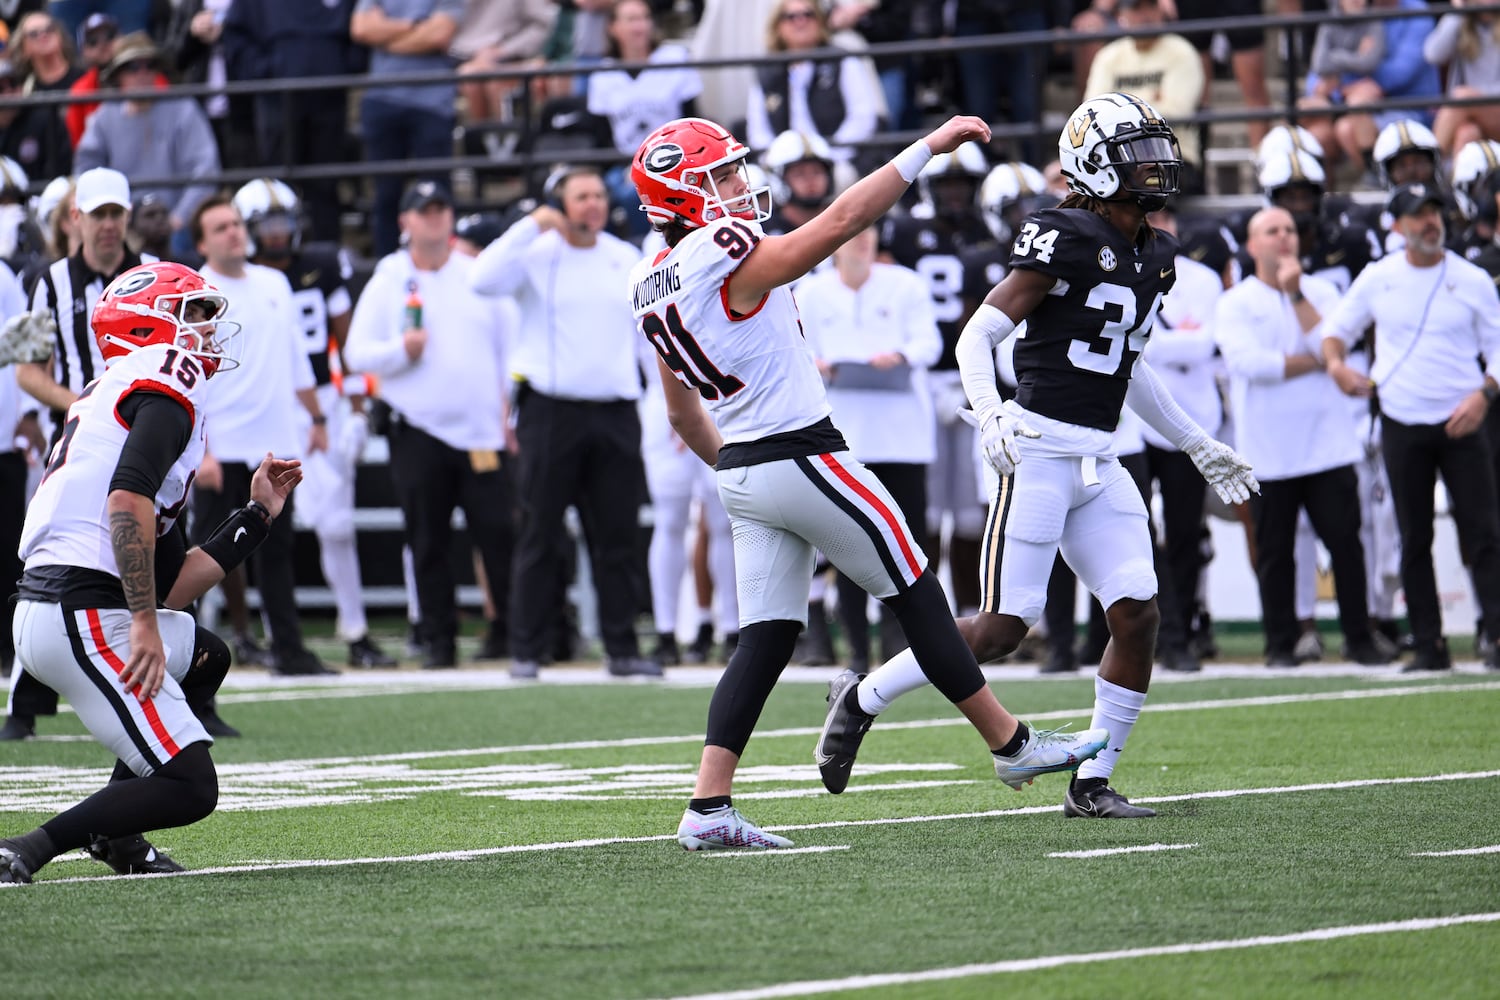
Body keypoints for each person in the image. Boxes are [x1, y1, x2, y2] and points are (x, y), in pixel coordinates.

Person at [630, 114, 1110, 850]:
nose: (737, 184)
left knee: (765, 638)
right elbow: (842, 221)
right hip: (801, 452)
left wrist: (736, 471)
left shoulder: (648, 280)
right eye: (718, 177)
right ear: (680, 197)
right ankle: (1011, 744)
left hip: (744, 470)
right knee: (917, 590)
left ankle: (708, 806)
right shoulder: (718, 253)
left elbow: (681, 411)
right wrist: (926, 149)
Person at [817, 94, 1258, 819]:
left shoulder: (1159, 251)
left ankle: (1091, 781)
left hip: (1101, 456)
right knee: (1002, 629)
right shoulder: (1062, 234)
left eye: (1156, 152)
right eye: (1135, 154)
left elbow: (1129, 363)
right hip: (1037, 452)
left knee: (1138, 616)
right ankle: (862, 695)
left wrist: (1196, 442)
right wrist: (990, 411)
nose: (1153, 168)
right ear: (1094, 162)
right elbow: (975, 336)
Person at [0, 260, 303, 885]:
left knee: (205, 655)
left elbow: (172, 583)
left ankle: (119, 835)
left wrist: (256, 515)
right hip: (80, 609)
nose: (208, 330)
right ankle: (28, 848)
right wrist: (143, 622)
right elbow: (126, 501)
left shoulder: (122, 395)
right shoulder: (166, 380)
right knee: (191, 787)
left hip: (67, 605)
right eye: (192, 313)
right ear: (147, 328)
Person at [471, 167, 660, 680]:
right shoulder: (534, 254)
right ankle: (527, 648)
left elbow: (650, 337)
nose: (593, 205)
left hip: (616, 411)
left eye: (599, 195)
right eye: (581, 197)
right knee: (539, 533)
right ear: (558, 203)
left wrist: (662, 401)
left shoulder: (626, 258)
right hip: (550, 411)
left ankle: (622, 648)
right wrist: (532, 225)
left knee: (617, 534)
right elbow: (481, 278)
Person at [1322, 182, 1500, 672]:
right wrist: (1338, 368)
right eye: (1419, 215)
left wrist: (1484, 394)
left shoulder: (1473, 278)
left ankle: (1496, 637)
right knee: (1412, 537)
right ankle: (1429, 644)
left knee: (1483, 533)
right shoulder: (1378, 278)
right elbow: (1335, 332)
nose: (1430, 222)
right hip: (1401, 421)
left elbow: (1498, 344)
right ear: (1398, 226)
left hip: (1463, 420)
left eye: (1435, 213)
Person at [1215, 207, 1398, 667]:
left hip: (1329, 446)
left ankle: (1359, 638)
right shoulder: (1234, 303)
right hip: (1268, 454)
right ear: (1252, 245)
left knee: (1347, 547)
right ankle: (1280, 644)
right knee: (1275, 554)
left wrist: (1297, 298)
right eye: (1272, 231)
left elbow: (1335, 346)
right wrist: (1317, 363)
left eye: (1290, 230)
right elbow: (1249, 365)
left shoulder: (1321, 291)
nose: (1284, 238)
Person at [345, 181, 515, 670]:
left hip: (481, 430)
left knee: (498, 533)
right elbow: (358, 353)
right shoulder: (389, 278)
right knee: (427, 539)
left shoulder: (477, 275)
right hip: (417, 429)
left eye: (442, 209)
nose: (435, 218)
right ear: (406, 222)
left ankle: (512, 632)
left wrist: (509, 414)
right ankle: (440, 639)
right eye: (425, 211)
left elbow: (508, 347)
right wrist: (402, 351)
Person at [233, 178, 397, 669]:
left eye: (285, 224)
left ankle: (355, 629)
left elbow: (346, 344)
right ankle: (254, 633)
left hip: (321, 400)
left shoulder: (321, 266)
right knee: (250, 522)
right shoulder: (239, 277)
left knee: (336, 524)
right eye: (270, 226)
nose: (280, 236)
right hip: (263, 401)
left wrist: (357, 405)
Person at [191, 194, 334, 677]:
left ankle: (289, 650)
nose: (233, 232)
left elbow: (296, 357)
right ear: (201, 242)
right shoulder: (199, 290)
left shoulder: (274, 282)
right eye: (220, 227)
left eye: (235, 223)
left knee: (279, 553)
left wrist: (315, 418)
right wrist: (203, 452)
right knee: (202, 551)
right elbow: (192, 374)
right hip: (223, 447)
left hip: (273, 445)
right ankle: (180, 649)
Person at [797, 224, 941, 671]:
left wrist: (900, 356)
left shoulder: (906, 284)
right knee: (846, 546)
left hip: (902, 438)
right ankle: (856, 648)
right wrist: (817, 363)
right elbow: (796, 349)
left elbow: (930, 344)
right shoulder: (811, 291)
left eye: (869, 232)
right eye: (853, 232)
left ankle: (903, 647)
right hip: (842, 440)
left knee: (907, 545)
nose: (862, 240)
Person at [74, 34, 222, 254]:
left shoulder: (183, 109)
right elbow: (84, 174)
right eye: (132, 67)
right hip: (123, 225)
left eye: (150, 65)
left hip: (177, 226)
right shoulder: (104, 118)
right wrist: (118, 221)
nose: (142, 73)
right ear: (118, 75)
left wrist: (179, 219)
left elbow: (206, 170)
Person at [349, 0, 464, 258]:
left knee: (437, 195)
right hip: (382, 101)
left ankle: (443, 261)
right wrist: (415, 26)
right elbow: (361, 29)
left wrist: (387, 36)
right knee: (386, 195)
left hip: (434, 104)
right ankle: (386, 264)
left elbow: (439, 34)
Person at [1083, 0, 1207, 191]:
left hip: (1171, 157)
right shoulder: (1108, 56)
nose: (1146, 15)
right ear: (1121, 16)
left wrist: (1118, 110)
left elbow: (1177, 113)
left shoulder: (1182, 51)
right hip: (1115, 159)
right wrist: (1151, 101)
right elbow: (1092, 113)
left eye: (1152, 6)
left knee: (1141, 187)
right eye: (1136, 8)